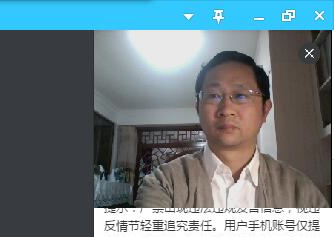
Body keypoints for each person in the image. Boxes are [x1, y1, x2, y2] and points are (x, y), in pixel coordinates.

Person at [136, 51, 329, 208]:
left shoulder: (300, 191)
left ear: (265, 110)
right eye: (213, 95)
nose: (226, 109)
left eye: (241, 95)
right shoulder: (165, 183)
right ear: (198, 108)